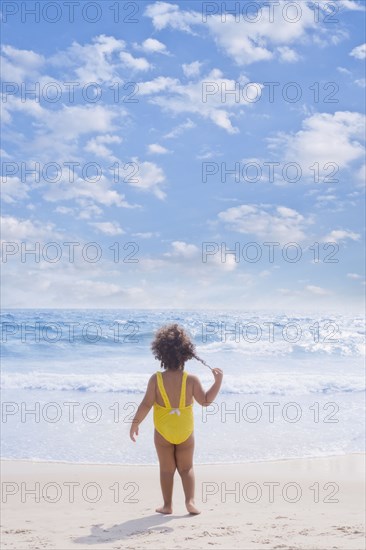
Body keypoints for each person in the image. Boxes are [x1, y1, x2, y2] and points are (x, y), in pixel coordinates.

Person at [129, 323, 223, 515]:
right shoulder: (191, 380)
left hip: (163, 431)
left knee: (166, 470)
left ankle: (167, 505)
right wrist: (218, 382)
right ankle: (190, 502)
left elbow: (146, 404)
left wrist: (135, 422)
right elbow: (205, 401)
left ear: (160, 354)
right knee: (187, 468)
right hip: (185, 431)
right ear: (186, 354)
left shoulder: (156, 380)